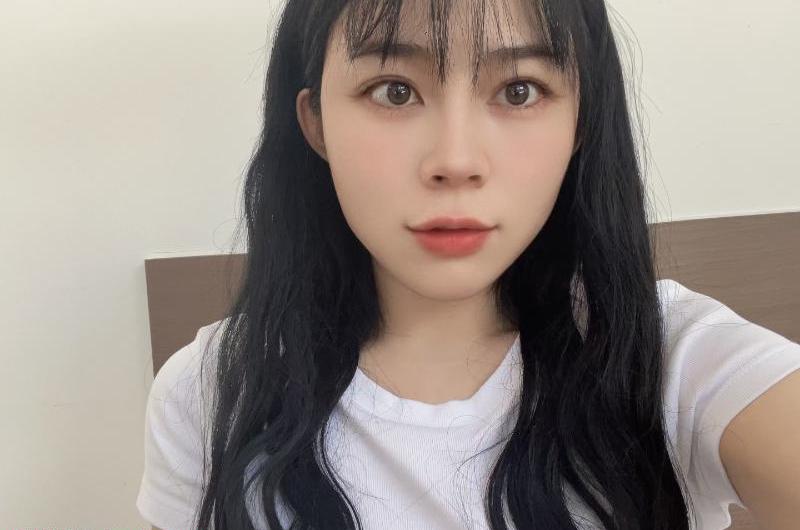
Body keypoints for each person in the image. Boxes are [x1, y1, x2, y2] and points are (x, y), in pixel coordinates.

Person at [135, 0, 800, 529]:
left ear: (581, 122)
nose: (455, 161)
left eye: (519, 91)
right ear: (315, 124)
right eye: (394, 91)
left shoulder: (674, 360)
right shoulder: (210, 392)